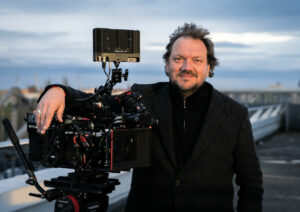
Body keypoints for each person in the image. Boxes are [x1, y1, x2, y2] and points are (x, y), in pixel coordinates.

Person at [35, 23, 263, 212]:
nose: (186, 67)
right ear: (166, 64)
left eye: (197, 60)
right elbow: (96, 105)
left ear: (209, 67)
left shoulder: (234, 114)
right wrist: (59, 90)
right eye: (178, 59)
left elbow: (251, 183)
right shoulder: (142, 96)